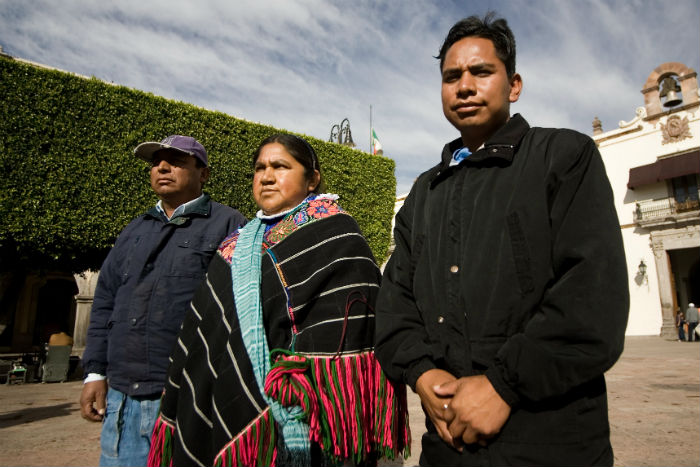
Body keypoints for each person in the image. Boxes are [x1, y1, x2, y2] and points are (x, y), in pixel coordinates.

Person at [375, 13, 629, 466]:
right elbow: (395, 302)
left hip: (553, 443)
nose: (465, 86)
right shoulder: (423, 193)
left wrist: (503, 385)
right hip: (447, 444)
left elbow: (592, 299)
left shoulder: (564, 157)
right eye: (452, 77)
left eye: (481, 72)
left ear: (514, 85)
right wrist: (421, 372)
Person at [148, 133, 410, 467]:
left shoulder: (337, 232)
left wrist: (295, 381)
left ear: (312, 179)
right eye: (260, 168)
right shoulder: (234, 244)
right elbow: (205, 329)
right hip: (230, 397)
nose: (267, 176)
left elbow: (353, 326)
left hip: (310, 416)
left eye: (280, 166)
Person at [80, 135, 246, 467]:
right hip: (121, 399)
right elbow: (106, 301)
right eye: (156, 162)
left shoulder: (230, 226)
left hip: (183, 397)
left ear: (204, 174)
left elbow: (239, 311)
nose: (162, 167)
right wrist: (94, 373)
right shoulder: (134, 229)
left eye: (177, 161)